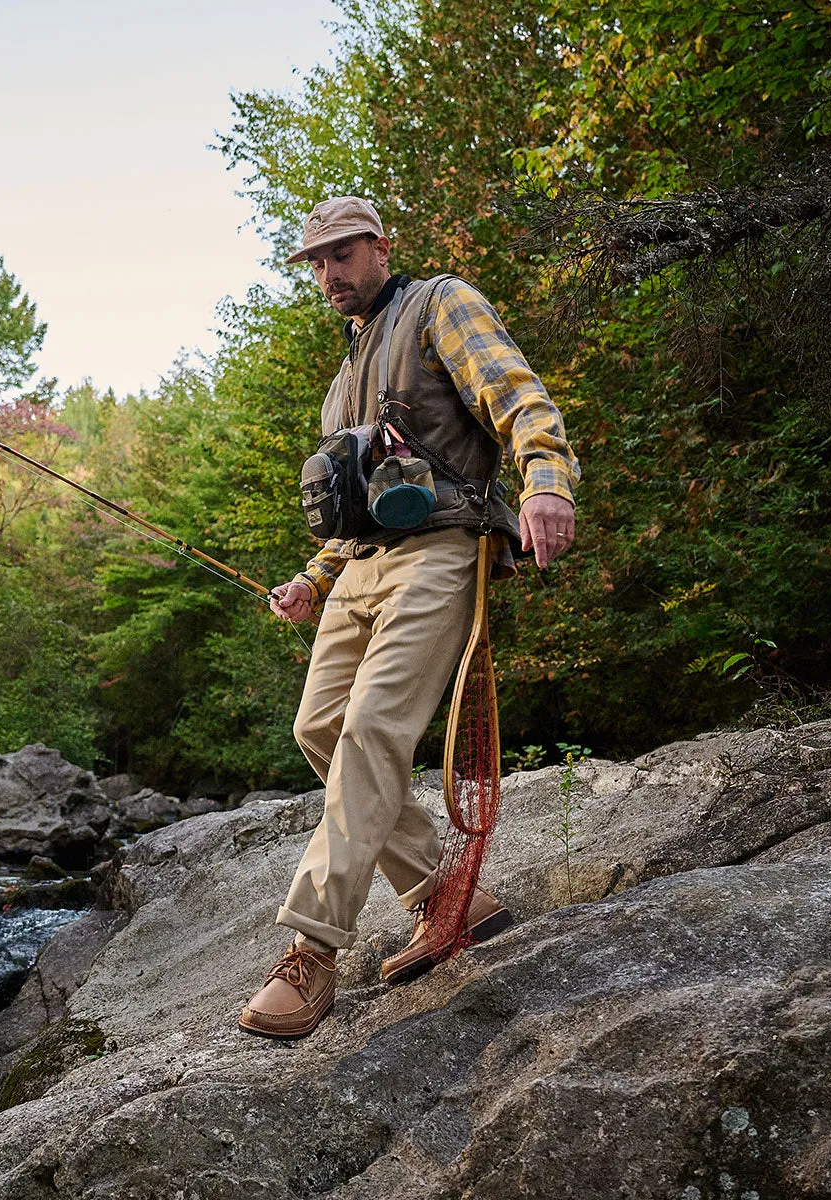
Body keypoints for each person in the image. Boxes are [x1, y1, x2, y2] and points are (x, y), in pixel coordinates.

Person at [238, 196, 580, 1039]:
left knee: (371, 730)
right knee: (319, 728)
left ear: (381, 247)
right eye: (317, 263)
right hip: (360, 569)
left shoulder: (439, 304)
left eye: (343, 254)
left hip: (441, 553)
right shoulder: (338, 388)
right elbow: (356, 510)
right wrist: (312, 581)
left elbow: (518, 396)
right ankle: (445, 896)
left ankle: (313, 949)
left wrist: (545, 481)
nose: (329, 274)